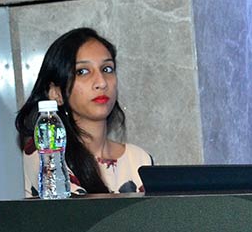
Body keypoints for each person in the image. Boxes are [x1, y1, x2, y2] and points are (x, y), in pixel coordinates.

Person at [15, 27, 153, 196]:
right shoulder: (47, 152)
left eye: (107, 69)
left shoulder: (138, 159)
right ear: (56, 93)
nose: (101, 82)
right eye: (82, 71)